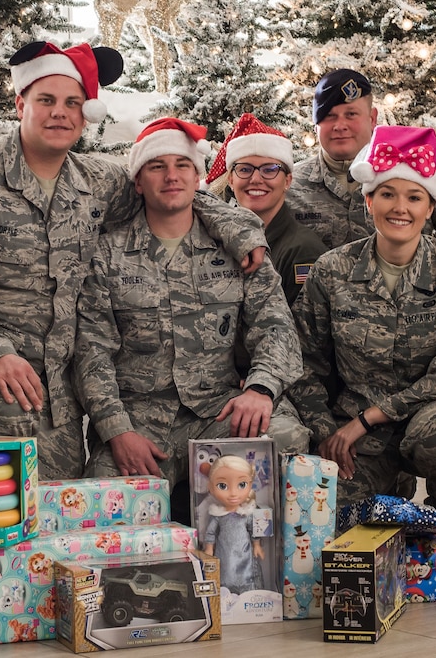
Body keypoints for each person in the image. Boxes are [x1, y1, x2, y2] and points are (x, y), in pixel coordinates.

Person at [0, 42, 267, 480]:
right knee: (2, 501)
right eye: (46, 100)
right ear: (20, 103)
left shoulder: (99, 180)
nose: (60, 113)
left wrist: (238, 227)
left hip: (60, 392)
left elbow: (170, 189)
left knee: (64, 507)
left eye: (73, 103)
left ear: (87, 113)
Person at [74, 117, 308, 493]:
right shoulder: (107, 256)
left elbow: (276, 326)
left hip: (219, 409)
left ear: (198, 176)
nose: (172, 176)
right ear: (137, 180)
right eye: (157, 166)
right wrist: (117, 431)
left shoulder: (236, 247)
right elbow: (91, 352)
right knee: (106, 498)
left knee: (284, 437)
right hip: (140, 420)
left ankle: (257, 550)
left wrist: (261, 389)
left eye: (183, 164)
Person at [290, 126, 436, 530]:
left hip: (429, 417)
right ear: (368, 200)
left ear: (429, 207)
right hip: (358, 432)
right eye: (387, 194)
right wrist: (329, 434)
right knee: (334, 526)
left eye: (414, 197)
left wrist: (369, 418)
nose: (401, 208)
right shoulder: (331, 271)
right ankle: (389, 489)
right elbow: (305, 363)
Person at [288, 68, 436, 250]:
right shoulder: (288, 186)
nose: (340, 126)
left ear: (372, 118)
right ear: (315, 124)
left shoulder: (417, 175)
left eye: (351, 114)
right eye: (329, 116)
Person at [207, 113, 326, 304]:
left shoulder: (302, 251)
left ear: (287, 181)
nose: (255, 179)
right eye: (245, 169)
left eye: (269, 169)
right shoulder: (216, 242)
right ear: (230, 180)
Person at [201, 455, 264, 595]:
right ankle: (225, 595)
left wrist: (257, 545)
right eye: (222, 486)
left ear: (250, 484)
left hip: (244, 554)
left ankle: (249, 593)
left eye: (242, 485)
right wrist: (208, 549)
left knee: (247, 574)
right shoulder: (218, 515)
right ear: (210, 486)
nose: (233, 493)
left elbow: (253, 529)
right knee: (225, 573)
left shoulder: (246, 513)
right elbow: (210, 533)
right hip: (225, 554)